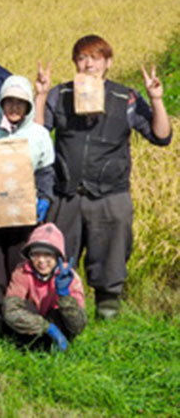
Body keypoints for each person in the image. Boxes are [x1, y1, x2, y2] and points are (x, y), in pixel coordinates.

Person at [34, 35, 171, 319]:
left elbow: (161, 136)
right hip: (67, 194)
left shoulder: (126, 97)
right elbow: (37, 136)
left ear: (107, 62)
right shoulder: (61, 95)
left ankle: (107, 318)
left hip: (110, 195)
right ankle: (63, 314)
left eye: (95, 58)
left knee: (110, 260)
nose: (88, 65)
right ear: (74, 62)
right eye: (82, 58)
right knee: (59, 256)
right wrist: (41, 95)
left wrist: (156, 99)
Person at [0, 76, 55, 310]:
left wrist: (45, 198)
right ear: (1, 104)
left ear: (28, 106)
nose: (14, 108)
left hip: (23, 214)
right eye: (9, 102)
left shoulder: (39, 135)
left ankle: (21, 313)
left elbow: (46, 172)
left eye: (20, 102)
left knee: (20, 266)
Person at [3, 223, 86, 351]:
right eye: (35, 254)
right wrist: (48, 328)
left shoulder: (70, 277)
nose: (41, 261)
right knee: (18, 313)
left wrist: (65, 296)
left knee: (61, 315)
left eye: (48, 255)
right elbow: (10, 311)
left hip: (57, 322)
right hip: (33, 325)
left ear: (58, 257)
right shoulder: (22, 271)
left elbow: (78, 326)